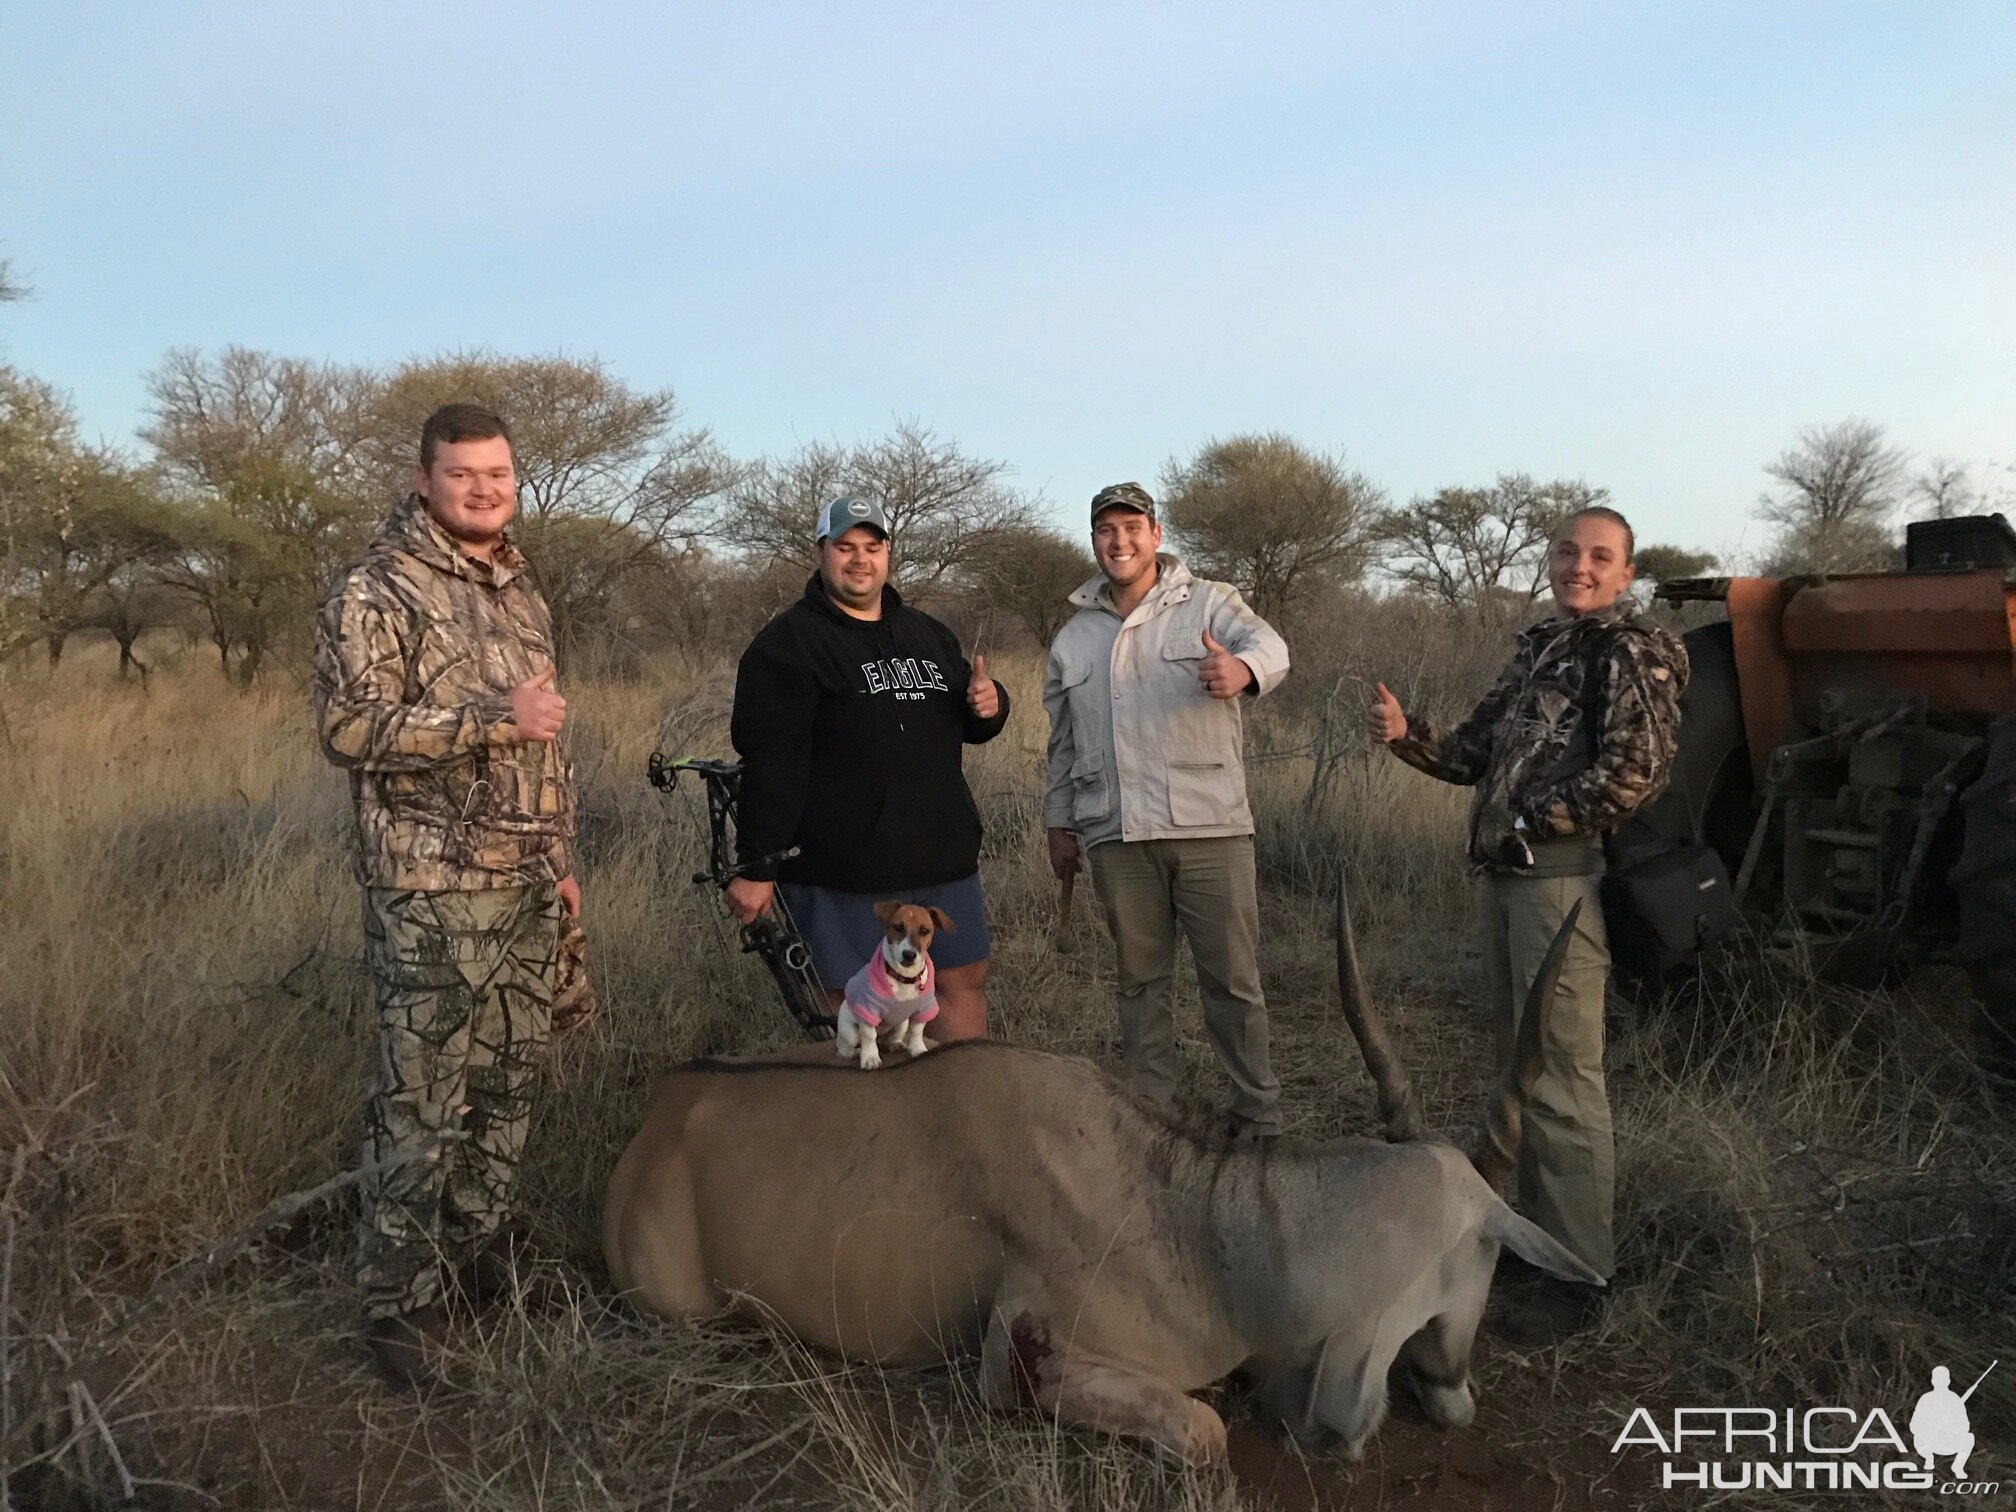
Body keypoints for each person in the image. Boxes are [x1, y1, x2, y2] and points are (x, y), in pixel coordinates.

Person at [1369, 505, 1686, 1346]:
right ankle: (1539, 1241)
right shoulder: (1540, 644)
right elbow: (1476, 752)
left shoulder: (1631, 649)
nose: (1579, 566)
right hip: (1509, 884)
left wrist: (1532, 822)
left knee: (1563, 1080)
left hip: (1559, 883)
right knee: (1519, 1067)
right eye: (1568, 551)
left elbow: (1638, 772)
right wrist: (1409, 738)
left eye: (1600, 556)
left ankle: (1580, 1273)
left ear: (1626, 572)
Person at [313, 403, 583, 1388]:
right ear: (425, 477)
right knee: (421, 1098)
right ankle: (398, 1302)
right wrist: (489, 718)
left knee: (508, 1088)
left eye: (499, 475)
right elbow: (349, 729)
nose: (483, 490)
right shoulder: (375, 586)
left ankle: (472, 1256)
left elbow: (546, 740)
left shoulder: (521, 592)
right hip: (427, 885)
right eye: (464, 474)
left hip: (523, 884)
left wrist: (560, 857)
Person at [1043, 482, 1290, 1142]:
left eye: (1131, 527)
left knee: (1232, 982)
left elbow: (1272, 647)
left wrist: (1241, 671)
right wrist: (1057, 821)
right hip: (1115, 833)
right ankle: (1154, 1115)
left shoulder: (1210, 601)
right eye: (1105, 530)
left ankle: (1257, 1118)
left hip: (1210, 826)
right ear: (1093, 540)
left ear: (1156, 534)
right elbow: (1062, 741)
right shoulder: (1073, 636)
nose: (1118, 541)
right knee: (1139, 982)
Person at [724, 496, 1008, 1040]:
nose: (860, 559)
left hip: (941, 859)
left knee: (958, 985)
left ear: (888, 553)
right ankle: (869, 1123)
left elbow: (969, 720)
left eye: (872, 547)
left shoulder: (927, 634)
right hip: (842, 870)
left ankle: (959, 1118)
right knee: (852, 1001)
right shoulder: (787, 645)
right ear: (821, 552)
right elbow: (771, 762)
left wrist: (992, 704)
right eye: (845, 547)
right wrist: (758, 866)